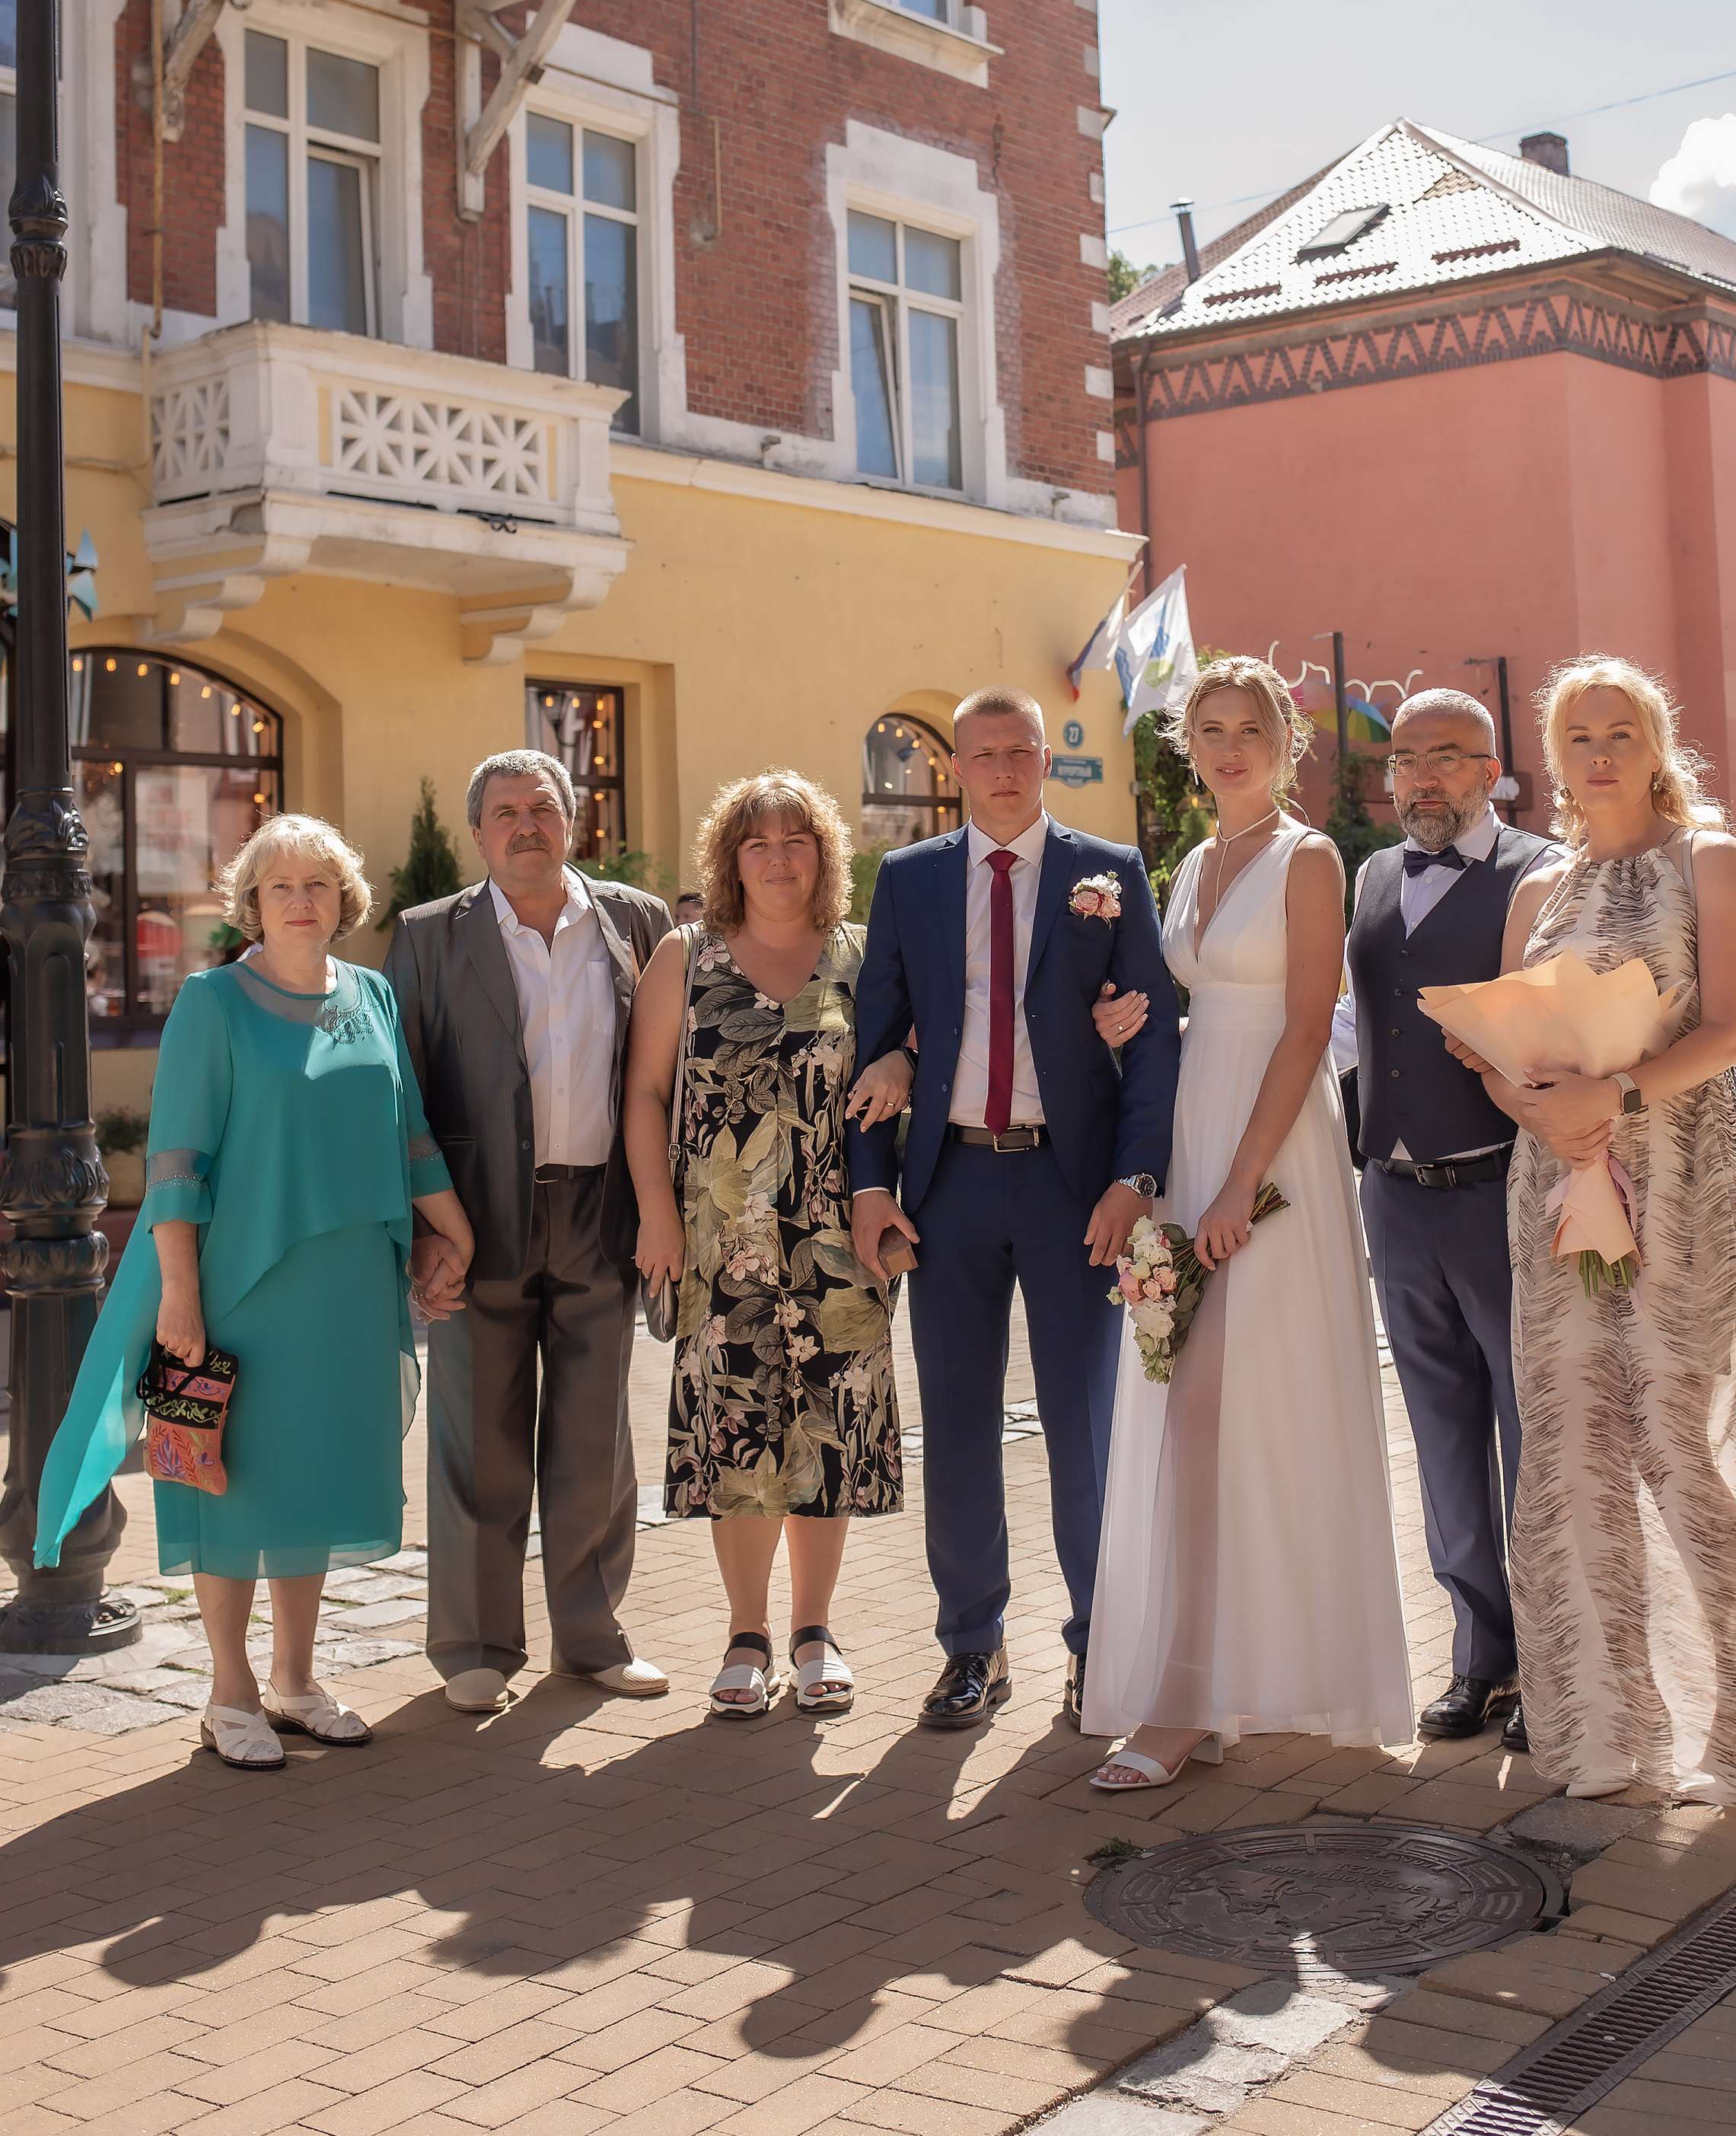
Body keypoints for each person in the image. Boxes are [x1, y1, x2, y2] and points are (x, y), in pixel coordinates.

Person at [1458, 655, 1736, 1806]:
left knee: (1685, 1455)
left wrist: (1614, 1101)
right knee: (1574, 1459)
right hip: (1552, 1195)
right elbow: (1502, 1052)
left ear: (1657, 739)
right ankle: (1607, 1731)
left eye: (1621, 730)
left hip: (1674, 1196)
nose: (1600, 753)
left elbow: (1731, 1030)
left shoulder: (1706, 860)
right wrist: (1534, 1103)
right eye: (1579, 736)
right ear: (1556, 755)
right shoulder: (1537, 890)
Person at [37, 817, 473, 1771]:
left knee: (308, 1475)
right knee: (235, 1484)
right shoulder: (212, 1001)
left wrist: (456, 1229)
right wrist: (180, 1298)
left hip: (349, 1289)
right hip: (241, 1284)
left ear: (345, 898)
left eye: (320, 882)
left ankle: (298, 1680)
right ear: (252, 902)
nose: (303, 899)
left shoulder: (373, 995)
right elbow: (177, 1167)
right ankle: (228, 1691)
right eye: (281, 885)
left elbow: (408, 1132)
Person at [1081, 659, 1413, 1788]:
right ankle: (1209, 1680)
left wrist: (1236, 1187)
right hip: (1190, 1142)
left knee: (1221, 1404)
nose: (1231, 748)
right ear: (1188, 745)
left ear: (1286, 742)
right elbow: (1205, 1011)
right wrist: (1135, 1022)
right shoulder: (1191, 865)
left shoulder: (1307, 858)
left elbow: (1308, 1028)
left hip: (1272, 1155)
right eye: (1211, 730)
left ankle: (1189, 1697)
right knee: (1192, 1411)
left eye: (1252, 730)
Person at [847, 684, 1180, 1732]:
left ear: (1046, 762)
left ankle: (1097, 1645)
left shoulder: (1108, 873)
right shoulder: (909, 881)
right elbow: (878, 1040)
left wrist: (1136, 1178)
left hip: (1070, 1184)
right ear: (956, 766)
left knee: (1086, 1427)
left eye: (1018, 752)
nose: (1000, 768)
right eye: (982, 752)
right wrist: (869, 1184)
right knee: (956, 1424)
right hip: (948, 1184)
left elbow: (1156, 1038)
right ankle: (971, 1647)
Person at [386, 750, 673, 1713]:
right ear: (478, 833)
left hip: (602, 1206)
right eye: (505, 812)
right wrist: (428, 1232)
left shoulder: (635, 921)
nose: (525, 826)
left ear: (572, 820)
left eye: (541, 808)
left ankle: (590, 1638)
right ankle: (475, 1643)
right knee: (479, 1433)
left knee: (596, 1435)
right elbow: (407, 1099)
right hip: (478, 1218)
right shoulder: (429, 936)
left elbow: (663, 1073)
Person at [622, 771, 909, 1717]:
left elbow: (912, 1062)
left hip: (838, 1239)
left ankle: (814, 1631)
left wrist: (902, 1055)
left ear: (824, 854)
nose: (779, 857)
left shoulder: (863, 959)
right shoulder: (684, 957)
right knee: (737, 1431)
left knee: (823, 1433)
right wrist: (656, 1214)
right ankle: (745, 1635)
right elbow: (645, 1097)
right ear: (730, 859)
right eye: (758, 842)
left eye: (797, 839)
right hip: (716, 1242)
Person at [1341, 689, 1557, 1751]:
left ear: (1491, 768)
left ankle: (1559, 1665)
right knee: (1441, 1438)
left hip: (1501, 1193)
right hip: (1393, 1194)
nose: (1422, 778)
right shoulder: (1374, 875)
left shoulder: (1540, 871)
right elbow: (1347, 1024)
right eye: (1405, 759)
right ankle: (1483, 1659)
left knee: (1536, 1435)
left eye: (1447, 758)